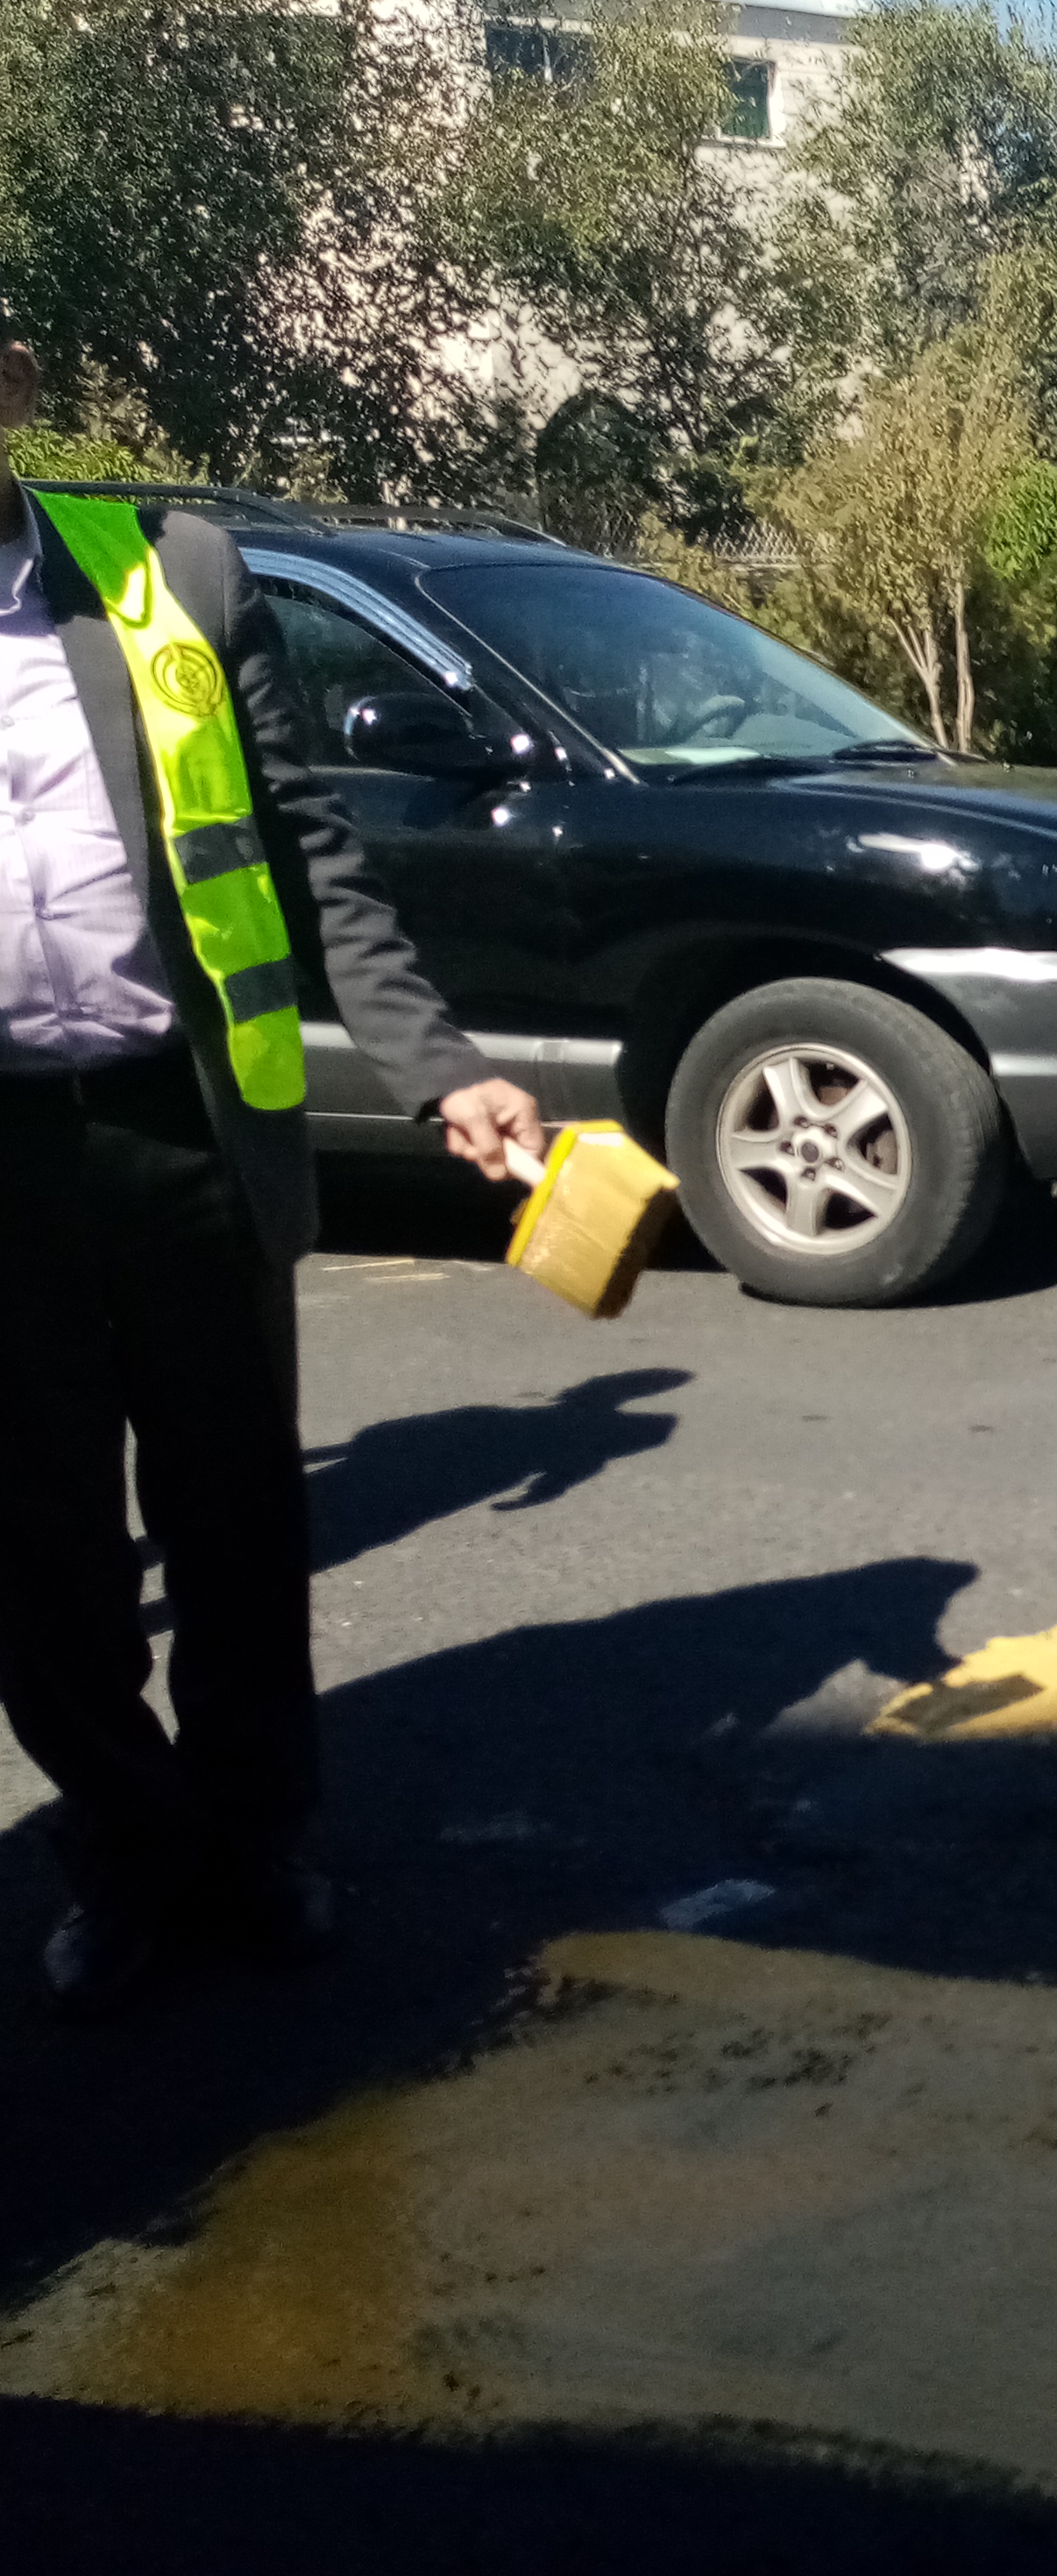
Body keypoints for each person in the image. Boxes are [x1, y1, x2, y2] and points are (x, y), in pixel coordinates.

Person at [0, 320, 542, 2018]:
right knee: (40, 1559)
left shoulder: (171, 576)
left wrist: (437, 1066)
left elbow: (314, 859)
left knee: (234, 1523)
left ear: (14, 390)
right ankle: (127, 1849)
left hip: (189, 1133)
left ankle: (258, 1837)